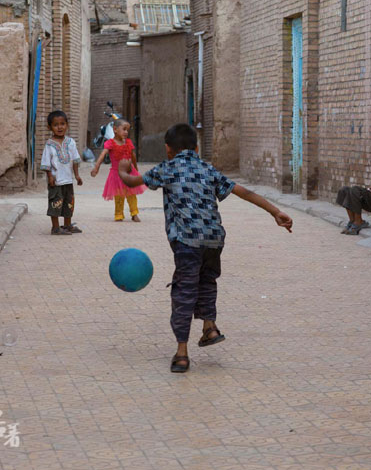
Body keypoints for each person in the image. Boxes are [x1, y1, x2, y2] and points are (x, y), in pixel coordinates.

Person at [117, 123, 294, 373]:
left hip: (187, 242)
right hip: (214, 239)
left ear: (168, 149)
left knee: (184, 292)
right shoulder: (207, 168)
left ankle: (181, 353)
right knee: (207, 282)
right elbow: (243, 192)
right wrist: (275, 212)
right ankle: (209, 328)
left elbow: (133, 181)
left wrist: (122, 170)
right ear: (197, 148)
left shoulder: (168, 168)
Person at [90, 118, 145, 222]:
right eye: (124, 129)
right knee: (119, 195)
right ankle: (119, 214)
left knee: (131, 194)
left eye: (127, 130)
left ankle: (134, 213)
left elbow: (132, 156)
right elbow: (103, 155)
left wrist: (136, 168)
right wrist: (96, 167)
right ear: (115, 129)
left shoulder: (128, 142)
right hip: (117, 174)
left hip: (130, 172)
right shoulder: (110, 143)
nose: (126, 132)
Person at [40, 111, 83, 235]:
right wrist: (50, 177)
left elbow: (75, 160)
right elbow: (46, 163)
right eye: (56, 125)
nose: (60, 127)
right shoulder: (49, 145)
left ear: (67, 125)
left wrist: (77, 176)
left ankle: (68, 225)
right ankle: (55, 227)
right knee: (55, 203)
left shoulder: (71, 142)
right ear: (50, 127)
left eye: (62, 124)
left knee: (69, 203)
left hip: (68, 180)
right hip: (56, 180)